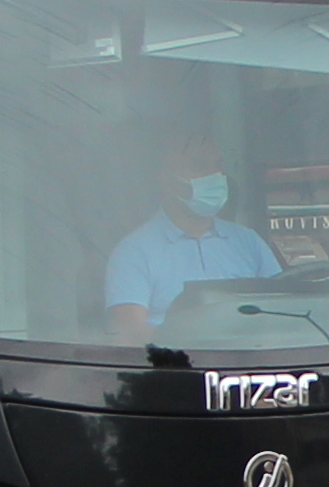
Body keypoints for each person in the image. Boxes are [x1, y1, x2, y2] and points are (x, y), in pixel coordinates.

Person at [106, 140, 280, 343]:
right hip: (176, 369)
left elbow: (282, 309)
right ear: (166, 180)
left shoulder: (248, 241)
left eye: (218, 165)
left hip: (253, 365)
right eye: (199, 165)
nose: (214, 175)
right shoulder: (134, 251)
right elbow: (133, 333)